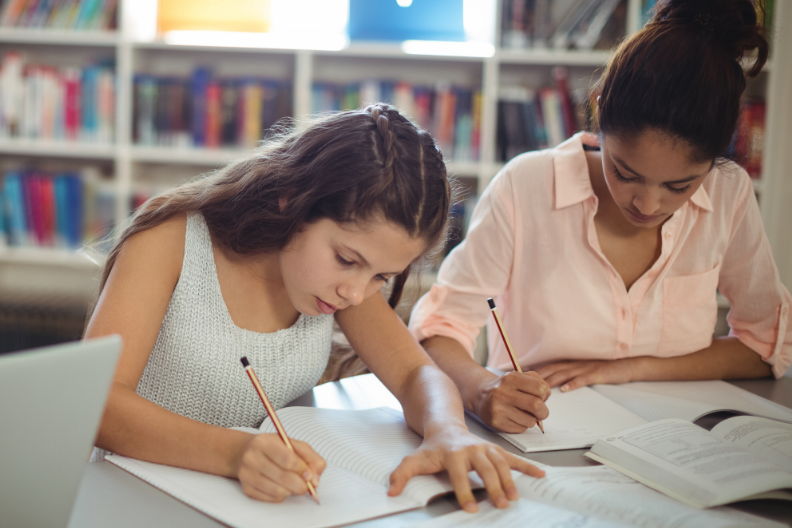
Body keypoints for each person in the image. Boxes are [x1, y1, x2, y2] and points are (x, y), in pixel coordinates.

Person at [85, 105, 544, 513]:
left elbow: (414, 374)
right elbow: (97, 405)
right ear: (293, 201)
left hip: (250, 504)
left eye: (382, 276)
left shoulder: (339, 286)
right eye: (348, 260)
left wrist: (448, 430)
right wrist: (234, 453)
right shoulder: (169, 243)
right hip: (126, 499)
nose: (357, 293)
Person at [409, 0, 790, 434]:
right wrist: (481, 390)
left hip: (679, 444)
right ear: (599, 109)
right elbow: (439, 328)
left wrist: (629, 368)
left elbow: (765, 346)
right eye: (625, 173)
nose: (647, 205)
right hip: (542, 438)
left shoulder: (729, 192)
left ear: (715, 159)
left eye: (679, 187)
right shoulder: (526, 186)